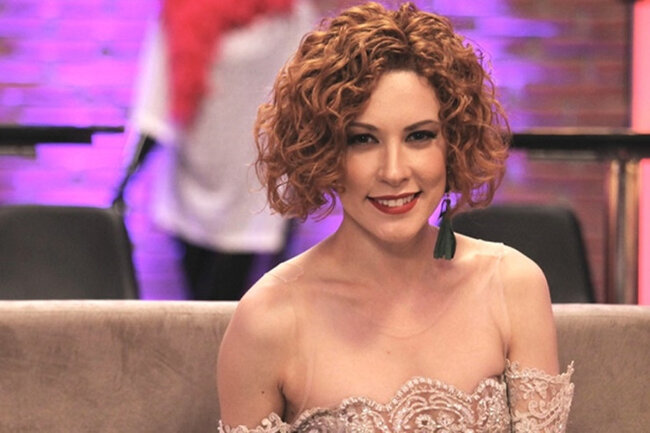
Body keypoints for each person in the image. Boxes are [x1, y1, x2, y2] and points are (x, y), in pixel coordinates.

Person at [217, 2, 574, 432]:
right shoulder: (267, 320)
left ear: (453, 143)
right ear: (322, 152)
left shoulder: (513, 287)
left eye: (419, 136)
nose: (394, 171)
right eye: (363, 140)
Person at [126, 0, 322, 300]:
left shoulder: (288, 13)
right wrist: (126, 182)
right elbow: (156, 97)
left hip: (257, 182)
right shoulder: (179, 11)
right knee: (200, 301)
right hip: (193, 176)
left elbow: (303, 92)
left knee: (240, 299)